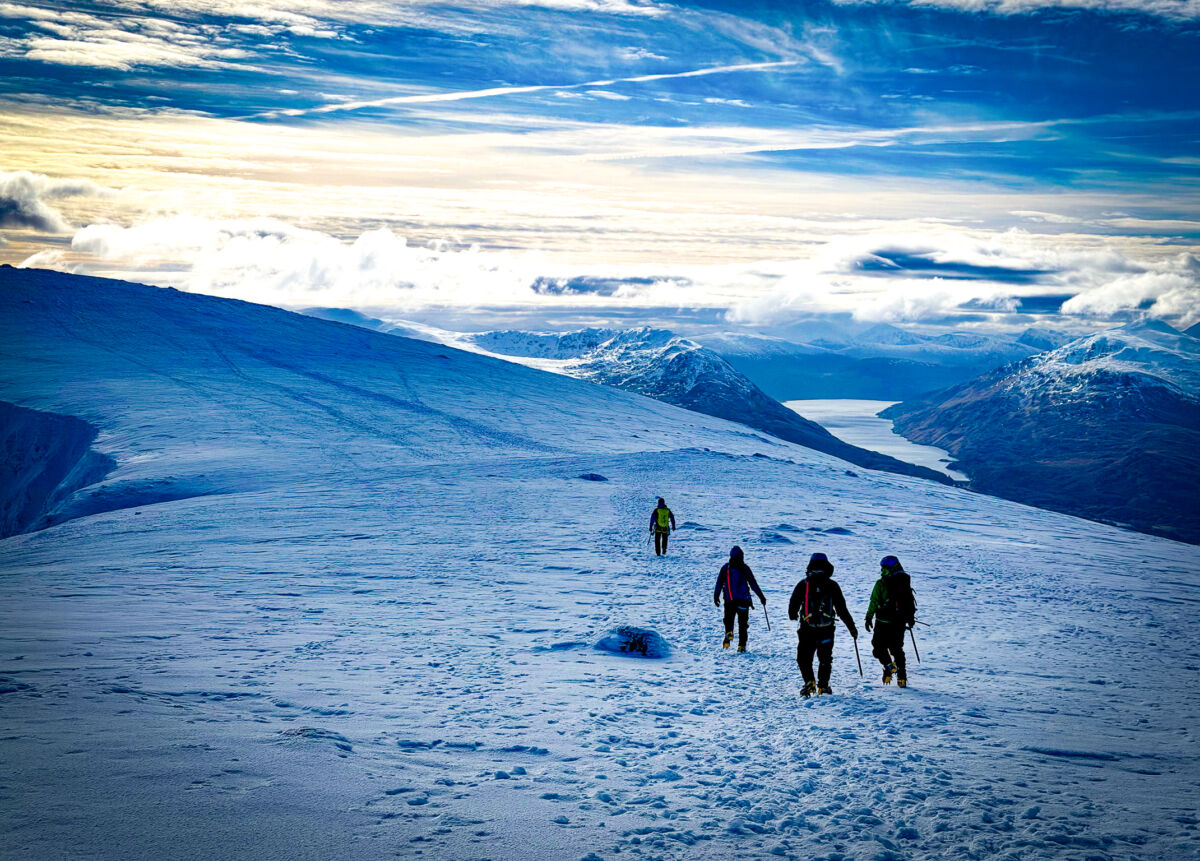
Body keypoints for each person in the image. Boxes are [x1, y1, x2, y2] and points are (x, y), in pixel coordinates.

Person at [787, 552, 857, 697]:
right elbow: (842, 609)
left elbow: (793, 605)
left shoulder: (804, 584)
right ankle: (823, 686)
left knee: (804, 657)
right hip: (827, 628)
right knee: (825, 658)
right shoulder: (832, 585)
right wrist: (852, 627)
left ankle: (809, 683)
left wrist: (793, 615)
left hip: (807, 628)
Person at [864, 555, 917, 687]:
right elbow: (909, 601)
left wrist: (869, 617)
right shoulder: (904, 582)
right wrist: (910, 618)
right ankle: (902, 676)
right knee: (897, 648)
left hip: (882, 621)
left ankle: (889, 666)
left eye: (884, 568)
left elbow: (874, 601)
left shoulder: (881, 583)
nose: (882, 571)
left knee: (877, 647)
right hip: (899, 622)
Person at [713, 546, 766, 652]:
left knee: (728, 620)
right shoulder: (745, 568)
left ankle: (729, 633)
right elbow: (753, 584)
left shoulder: (725, 568)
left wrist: (716, 596)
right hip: (743, 600)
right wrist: (761, 597)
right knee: (743, 624)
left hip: (729, 600)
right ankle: (741, 646)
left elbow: (719, 583)